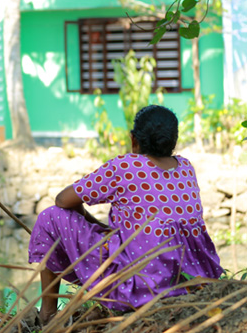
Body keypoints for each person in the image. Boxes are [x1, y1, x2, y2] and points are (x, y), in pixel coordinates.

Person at [28, 105, 223, 322]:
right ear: (173, 141)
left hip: (141, 284)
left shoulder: (126, 166)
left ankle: (47, 314)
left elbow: (63, 200)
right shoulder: (186, 167)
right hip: (193, 280)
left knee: (50, 217)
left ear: (133, 140)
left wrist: (88, 218)